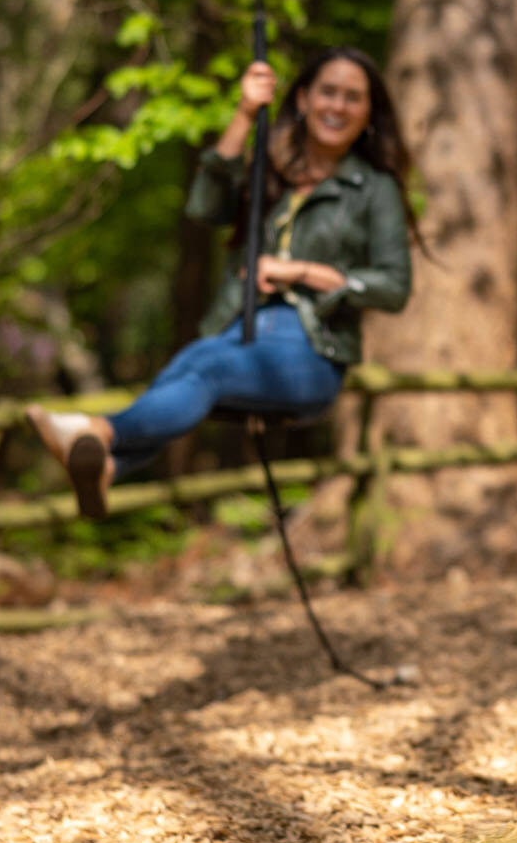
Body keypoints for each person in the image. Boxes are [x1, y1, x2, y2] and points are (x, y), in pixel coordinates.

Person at [27, 47, 414, 516]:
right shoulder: (271, 170)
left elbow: (394, 287)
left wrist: (301, 271)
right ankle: (108, 465)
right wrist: (245, 112)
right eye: (328, 92)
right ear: (304, 99)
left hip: (313, 348)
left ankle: (99, 432)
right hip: (239, 332)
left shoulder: (375, 188)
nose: (338, 106)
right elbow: (206, 206)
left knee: (205, 364)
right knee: (195, 363)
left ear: (369, 113)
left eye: (353, 97)